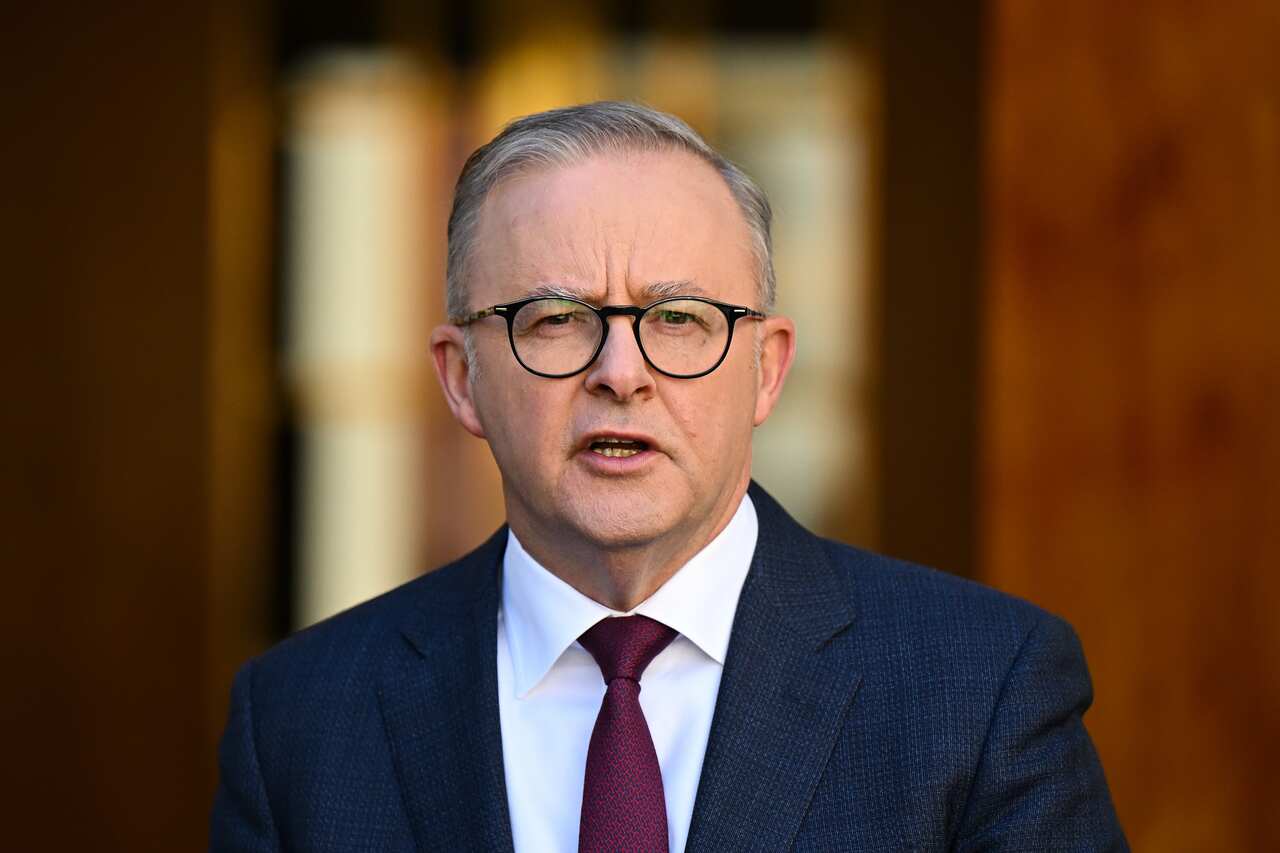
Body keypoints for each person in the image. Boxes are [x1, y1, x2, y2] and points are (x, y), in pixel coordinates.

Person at [210, 101, 1127, 852]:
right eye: (557, 318)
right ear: (462, 378)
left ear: (766, 369)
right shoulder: (299, 721)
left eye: (681, 317)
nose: (621, 370)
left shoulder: (982, 693)